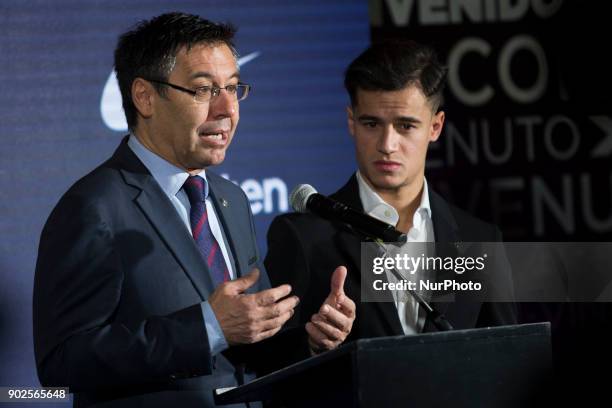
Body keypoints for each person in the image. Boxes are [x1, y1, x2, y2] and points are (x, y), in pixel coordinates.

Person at [33, 12, 355, 408]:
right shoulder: (93, 207)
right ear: (145, 97)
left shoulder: (231, 199)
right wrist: (207, 328)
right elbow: (63, 361)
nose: (227, 109)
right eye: (204, 90)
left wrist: (308, 338)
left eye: (234, 88)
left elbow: (247, 345)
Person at [265, 40, 516, 342]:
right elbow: (266, 362)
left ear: (435, 127)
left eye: (406, 126)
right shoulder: (303, 236)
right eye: (371, 123)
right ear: (351, 122)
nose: (387, 145)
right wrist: (311, 343)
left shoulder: (480, 239)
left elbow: (506, 354)